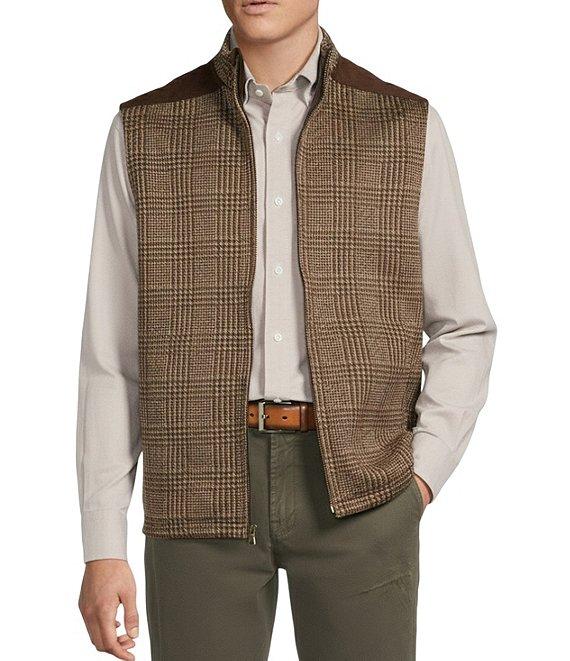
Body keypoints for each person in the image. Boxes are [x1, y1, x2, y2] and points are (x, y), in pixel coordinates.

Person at [77, 1, 496, 658]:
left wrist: (416, 480)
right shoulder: (148, 129)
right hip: (195, 487)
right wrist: (103, 544)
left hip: (362, 489)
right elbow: (112, 354)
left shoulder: (402, 125)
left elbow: (463, 327)